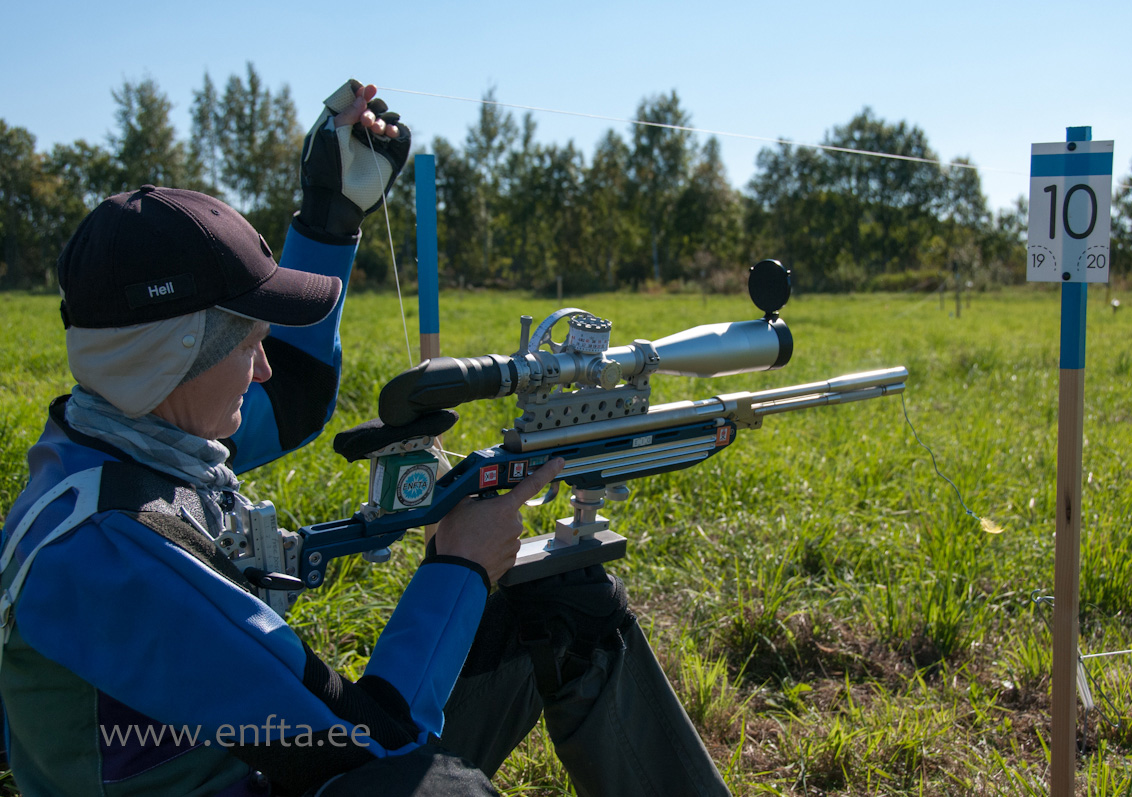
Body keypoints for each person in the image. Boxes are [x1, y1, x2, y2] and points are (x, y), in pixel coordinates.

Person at [0, 80, 729, 797]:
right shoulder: (109, 554)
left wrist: (330, 213)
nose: (262, 366)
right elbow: (368, 744)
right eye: (248, 341)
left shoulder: (126, 441)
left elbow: (293, 392)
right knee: (440, 790)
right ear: (173, 356)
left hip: (272, 759)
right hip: (303, 761)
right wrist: (460, 565)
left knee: (566, 599)